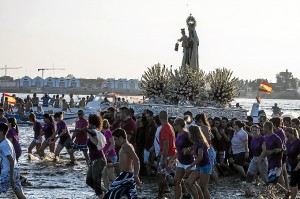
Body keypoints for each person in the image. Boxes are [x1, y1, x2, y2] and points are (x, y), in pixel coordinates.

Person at [104, 128, 142, 199]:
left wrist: (136, 175)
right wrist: (112, 165)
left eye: (115, 139)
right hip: (129, 176)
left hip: (125, 176)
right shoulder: (128, 145)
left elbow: (136, 160)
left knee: (109, 195)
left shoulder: (125, 146)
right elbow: (124, 163)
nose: (114, 142)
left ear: (121, 138)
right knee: (133, 197)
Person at [168, 118, 194, 199]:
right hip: (181, 161)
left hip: (189, 162)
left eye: (175, 124)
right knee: (176, 182)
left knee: (192, 183)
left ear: (179, 125)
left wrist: (189, 149)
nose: (173, 126)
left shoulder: (187, 135)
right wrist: (173, 159)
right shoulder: (178, 134)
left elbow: (197, 144)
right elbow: (179, 150)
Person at [0, 123, 26, 199]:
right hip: (15, 170)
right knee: (19, 195)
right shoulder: (7, 141)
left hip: (8, 173)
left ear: (1, 132)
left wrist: (11, 177)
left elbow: (11, 160)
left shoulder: (3, 144)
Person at [186, 125, 211, 199]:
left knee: (203, 187)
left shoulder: (200, 143)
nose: (188, 134)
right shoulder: (197, 143)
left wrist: (190, 166)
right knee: (189, 182)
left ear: (193, 133)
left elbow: (200, 157)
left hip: (205, 166)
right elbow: (198, 153)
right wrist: (189, 152)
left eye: (189, 132)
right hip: (200, 166)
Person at [85, 114, 107, 199]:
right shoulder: (94, 132)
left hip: (99, 159)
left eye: (89, 123)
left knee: (96, 182)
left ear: (92, 124)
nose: (88, 125)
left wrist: (89, 133)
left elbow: (96, 143)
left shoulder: (96, 133)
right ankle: (106, 192)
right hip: (94, 159)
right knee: (89, 181)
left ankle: (102, 197)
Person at [157, 111, 176, 199]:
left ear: (160, 118)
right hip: (172, 154)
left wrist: (164, 159)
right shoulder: (170, 126)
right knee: (166, 174)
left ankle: (161, 194)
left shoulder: (164, 128)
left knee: (161, 175)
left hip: (167, 155)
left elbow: (166, 144)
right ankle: (184, 191)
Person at [245, 125, 268, 196]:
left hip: (262, 160)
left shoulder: (262, 139)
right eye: (253, 130)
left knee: (265, 178)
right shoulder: (253, 138)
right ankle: (248, 191)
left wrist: (260, 158)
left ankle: (282, 190)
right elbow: (250, 134)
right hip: (254, 159)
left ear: (259, 130)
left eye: (256, 130)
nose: (254, 132)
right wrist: (245, 128)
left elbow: (265, 150)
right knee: (249, 174)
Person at [101, 119, 117, 190]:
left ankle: (121, 187)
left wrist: (107, 152)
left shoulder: (108, 132)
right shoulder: (101, 133)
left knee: (111, 175)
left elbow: (113, 144)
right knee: (104, 175)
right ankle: (107, 191)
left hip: (111, 156)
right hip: (104, 156)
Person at [285, 127, 300, 199]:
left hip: (298, 165)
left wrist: (298, 166)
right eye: (286, 135)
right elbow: (288, 153)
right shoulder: (287, 142)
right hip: (291, 165)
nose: (286, 137)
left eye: (288, 135)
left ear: (293, 134)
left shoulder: (298, 142)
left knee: (294, 183)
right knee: (293, 183)